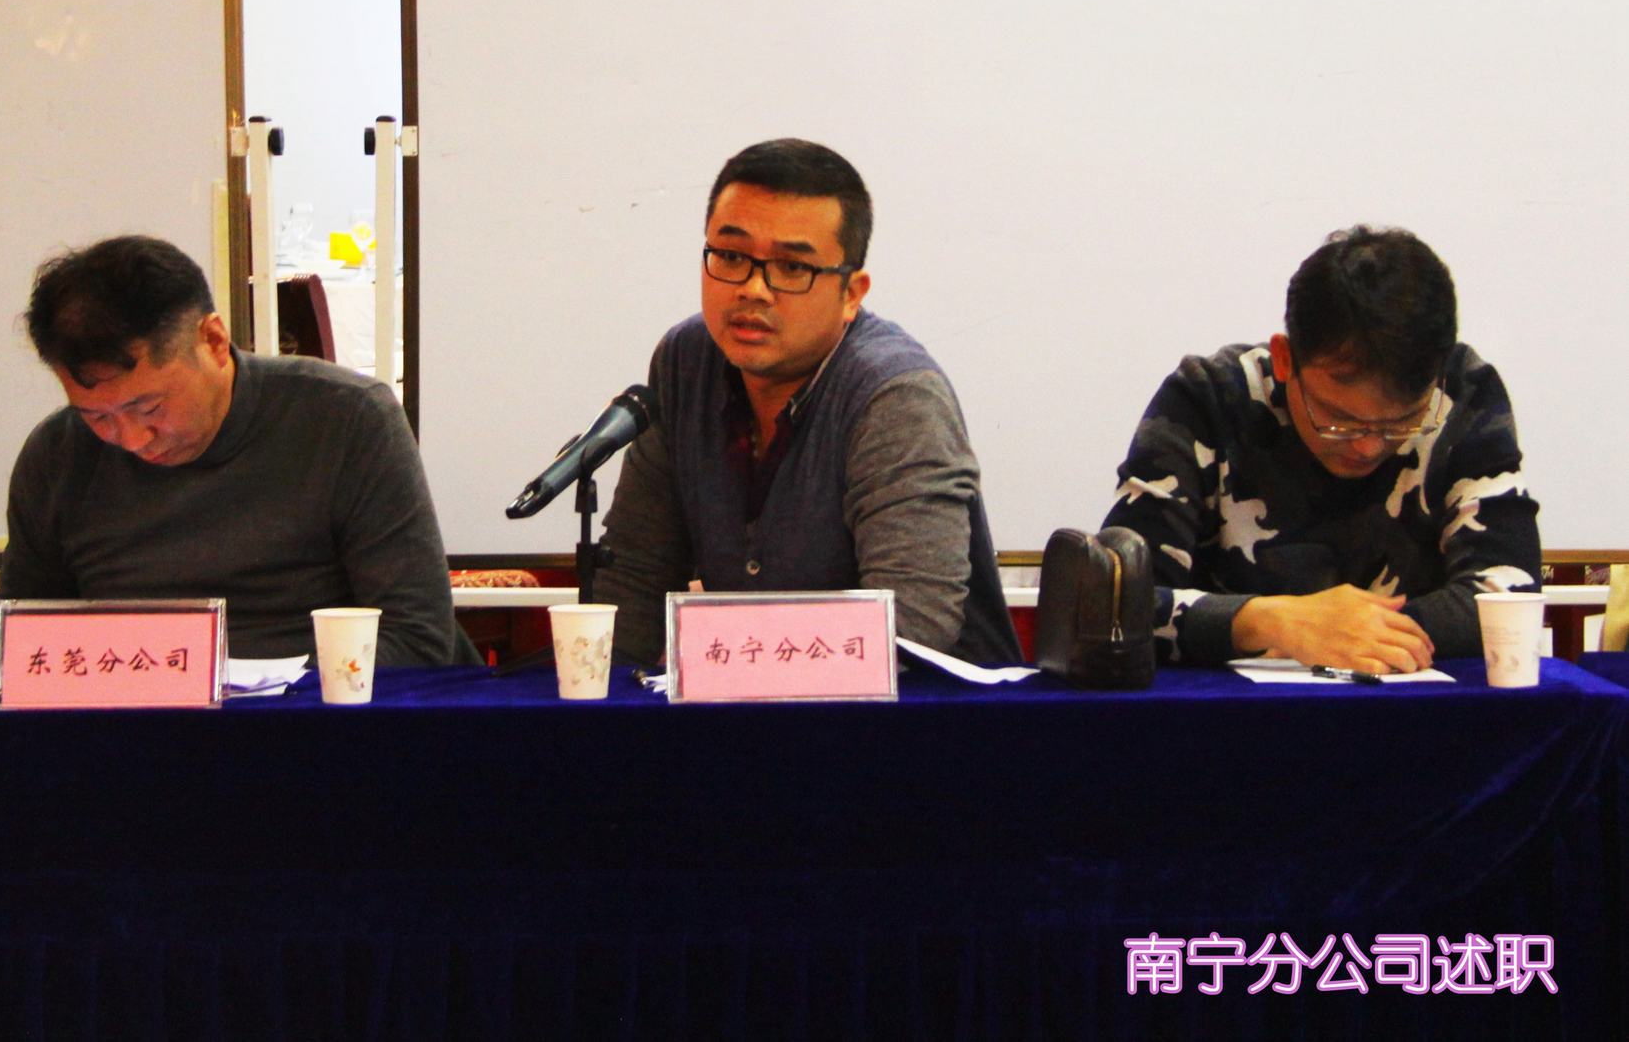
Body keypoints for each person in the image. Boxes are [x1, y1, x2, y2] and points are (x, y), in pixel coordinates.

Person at [596, 139, 1021, 668]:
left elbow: (912, 628)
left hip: (930, 708)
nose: (753, 289)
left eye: (793, 268)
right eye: (731, 257)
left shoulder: (895, 395)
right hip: (751, 702)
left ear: (852, 294)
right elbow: (634, 576)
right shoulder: (686, 362)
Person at [0, 234, 472, 666]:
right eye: (97, 417)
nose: (133, 439)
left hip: (314, 714)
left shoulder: (347, 419)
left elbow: (417, 636)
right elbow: (16, 644)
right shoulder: (58, 455)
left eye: (149, 407)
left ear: (214, 340)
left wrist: (258, 693)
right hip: (132, 713)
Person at [1103, 226, 1539, 673]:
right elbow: (1112, 602)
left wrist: (1358, 635)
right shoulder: (1207, 398)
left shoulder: (1463, 393)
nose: (1368, 447)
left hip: (1411, 705)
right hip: (1227, 709)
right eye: (1338, 421)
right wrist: (1269, 623)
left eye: (1402, 423)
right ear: (1284, 359)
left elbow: (1510, 591)